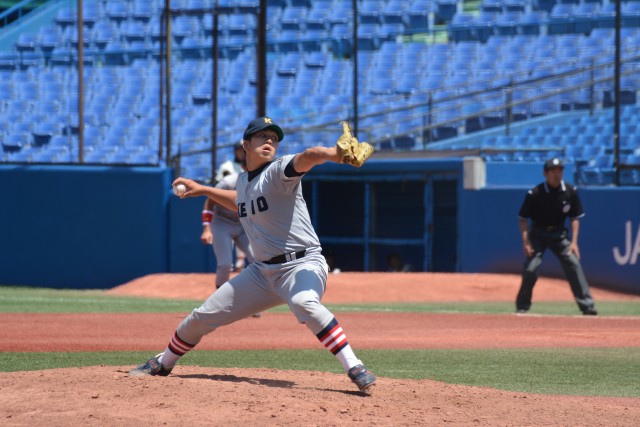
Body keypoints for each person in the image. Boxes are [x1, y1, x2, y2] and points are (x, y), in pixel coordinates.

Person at [130, 117, 376, 392]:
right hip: (261, 273)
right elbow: (239, 201)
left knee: (304, 302)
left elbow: (309, 156)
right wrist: (203, 190)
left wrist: (335, 155)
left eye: (274, 137)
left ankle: (354, 365)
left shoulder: (279, 171)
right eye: (262, 136)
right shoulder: (244, 182)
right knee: (201, 316)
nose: (270, 141)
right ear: (246, 145)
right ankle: (164, 362)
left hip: (302, 264)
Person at [515, 157, 597, 315]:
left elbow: (574, 218)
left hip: (559, 234)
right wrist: (526, 242)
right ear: (545, 173)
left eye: (560, 170)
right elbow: (523, 219)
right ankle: (522, 306)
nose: (557, 174)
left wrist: (574, 242)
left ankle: (588, 306)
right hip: (538, 233)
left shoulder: (570, 191)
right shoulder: (535, 193)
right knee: (531, 269)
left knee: (573, 263)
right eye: (553, 171)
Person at [200, 165, 254, 289]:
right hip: (222, 222)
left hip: (243, 223)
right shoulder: (228, 182)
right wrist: (206, 229)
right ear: (244, 167)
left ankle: (255, 295)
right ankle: (220, 297)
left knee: (258, 259)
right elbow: (210, 202)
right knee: (225, 264)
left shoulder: (263, 183)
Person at [214, 141, 248, 270]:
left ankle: (240, 261)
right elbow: (219, 187)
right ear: (235, 150)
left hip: (241, 212)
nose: (241, 151)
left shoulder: (252, 163)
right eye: (239, 149)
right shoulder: (227, 166)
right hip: (225, 210)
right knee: (225, 260)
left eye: (243, 149)